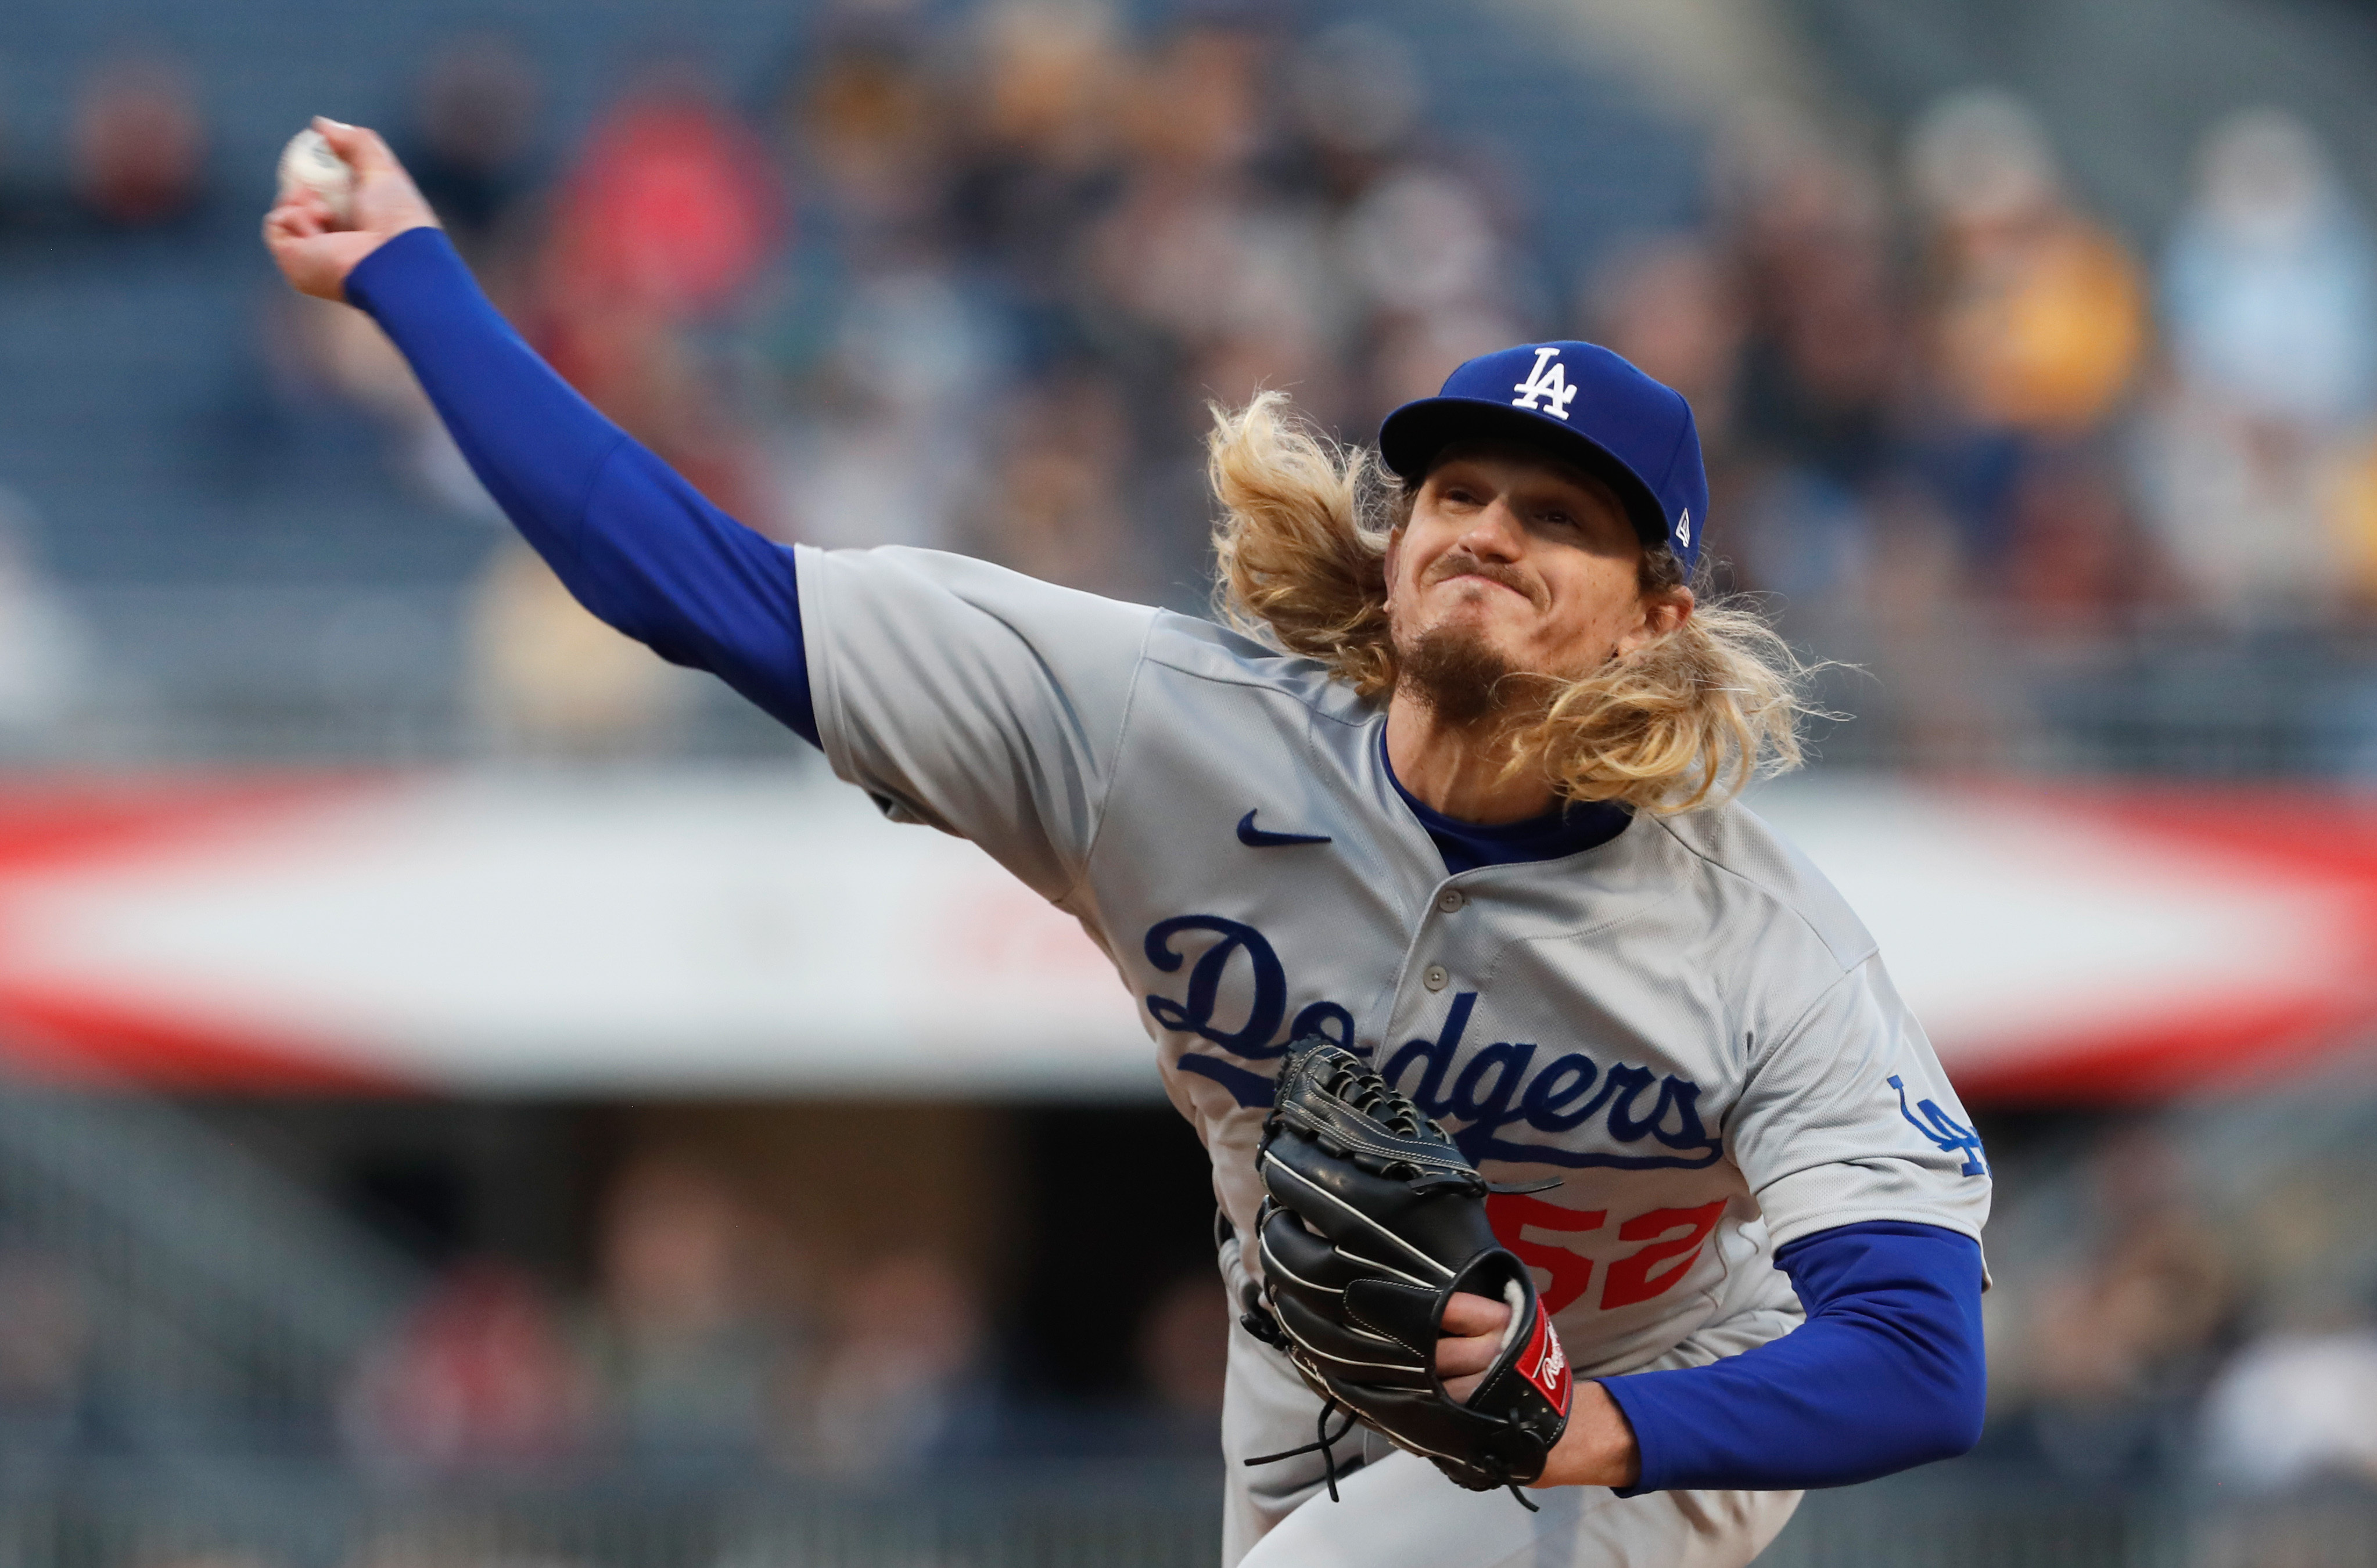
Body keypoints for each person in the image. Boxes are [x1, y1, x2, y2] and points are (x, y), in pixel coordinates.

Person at [267, 120, 1990, 1568]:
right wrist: (413, 274)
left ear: (1655, 613)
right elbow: (694, 583)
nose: (1486, 532)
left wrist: (1597, 1415)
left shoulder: (1755, 935)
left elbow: (1917, 1354)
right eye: (1456, 493)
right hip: (1307, 1386)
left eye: (1558, 518)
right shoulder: (1155, 732)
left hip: (1662, 1389)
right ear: (1393, 549)